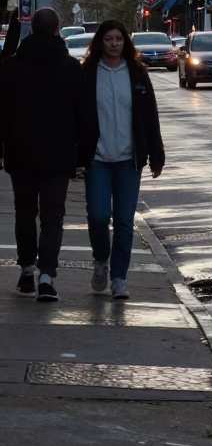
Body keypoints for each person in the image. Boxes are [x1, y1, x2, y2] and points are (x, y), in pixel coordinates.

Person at [0, 6, 96, 302]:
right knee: (53, 215)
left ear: (31, 30)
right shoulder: (70, 67)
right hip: (59, 153)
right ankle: (46, 275)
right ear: (58, 30)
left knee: (24, 212)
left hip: (21, 152)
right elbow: (85, 116)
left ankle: (27, 267)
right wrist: (84, 157)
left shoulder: (12, 67)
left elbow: (1, 113)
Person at [81, 20, 164, 300]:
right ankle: (101, 259)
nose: (114, 44)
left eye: (119, 39)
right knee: (98, 215)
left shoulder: (138, 74)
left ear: (125, 43)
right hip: (98, 159)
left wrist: (156, 154)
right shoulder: (89, 73)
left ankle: (119, 278)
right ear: (99, 43)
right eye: (109, 39)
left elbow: (150, 117)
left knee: (125, 221)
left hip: (130, 159)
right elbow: (76, 116)